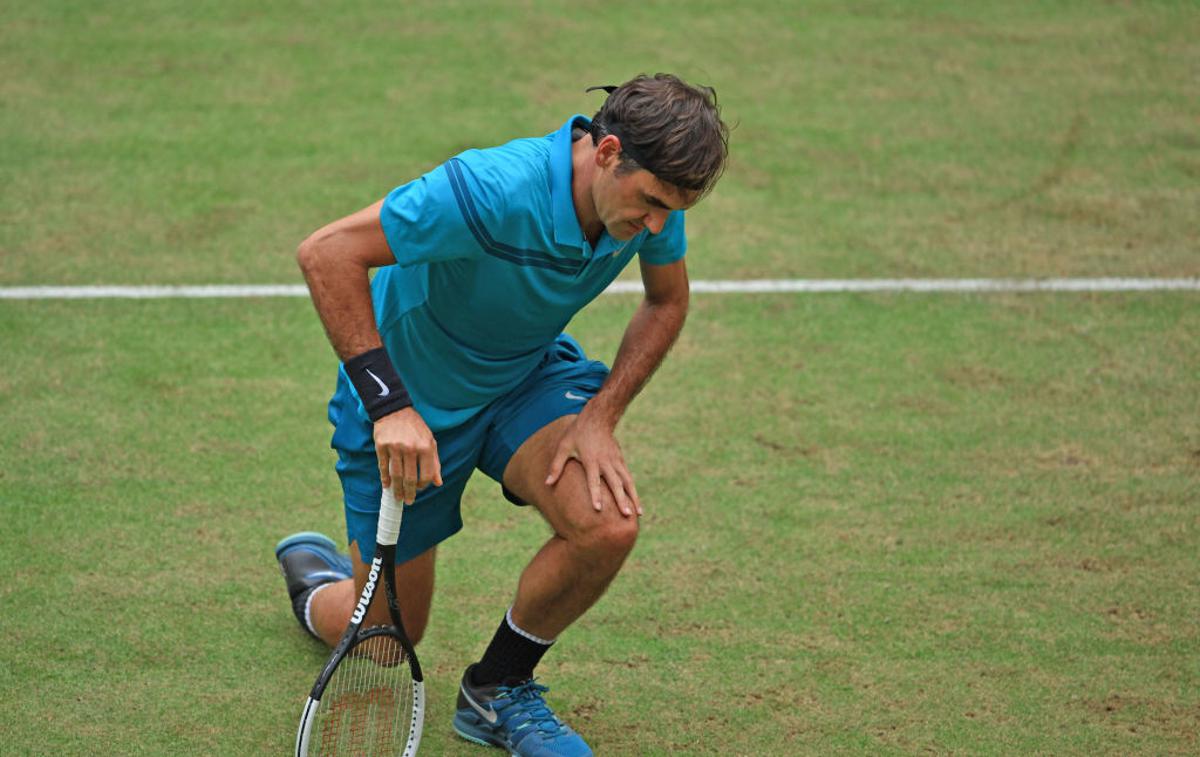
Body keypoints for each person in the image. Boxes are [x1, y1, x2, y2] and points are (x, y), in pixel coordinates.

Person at [275, 73, 728, 756]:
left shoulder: (654, 198)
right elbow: (328, 252)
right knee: (388, 636)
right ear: (607, 152)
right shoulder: (490, 189)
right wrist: (390, 404)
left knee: (608, 525)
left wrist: (600, 416)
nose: (659, 224)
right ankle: (316, 582)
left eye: (675, 208)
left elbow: (666, 300)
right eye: (652, 203)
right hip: (409, 403)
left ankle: (497, 689)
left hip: (523, 379)